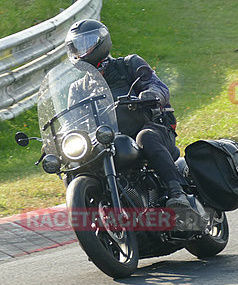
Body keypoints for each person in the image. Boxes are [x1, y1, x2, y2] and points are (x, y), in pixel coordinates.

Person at [64, 19, 206, 232]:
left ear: (102, 41)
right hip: (105, 141)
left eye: (88, 43)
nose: (82, 51)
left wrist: (151, 94)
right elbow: (70, 121)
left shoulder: (128, 64)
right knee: (71, 162)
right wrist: (61, 137)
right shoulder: (77, 88)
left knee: (145, 137)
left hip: (151, 128)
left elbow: (157, 85)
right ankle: (92, 227)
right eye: (77, 46)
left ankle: (178, 195)